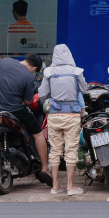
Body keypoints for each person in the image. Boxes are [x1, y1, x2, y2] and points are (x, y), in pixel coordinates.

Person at [0, 52, 49, 182]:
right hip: (15, 111)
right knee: (38, 133)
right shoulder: (28, 76)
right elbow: (28, 101)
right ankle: (45, 168)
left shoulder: (4, 61)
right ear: (34, 68)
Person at [39, 44, 86, 197]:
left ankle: (55, 185)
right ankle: (70, 186)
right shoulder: (76, 72)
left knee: (54, 150)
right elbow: (84, 90)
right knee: (71, 150)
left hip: (54, 116)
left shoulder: (48, 72)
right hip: (72, 116)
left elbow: (42, 95)